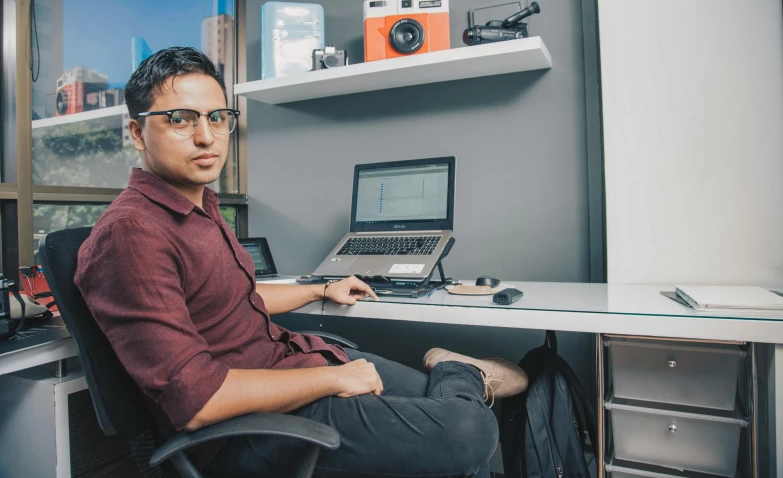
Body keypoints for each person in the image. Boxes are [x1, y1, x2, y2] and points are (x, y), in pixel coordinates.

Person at [75, 47, 528, 478]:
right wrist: (332, 380)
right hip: (245, 429)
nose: (206, 135)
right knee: (469, 432)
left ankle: (455, 379)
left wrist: (319, 289)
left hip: (292, 365)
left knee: (441, 412)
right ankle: (462, 372)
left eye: (217, 117)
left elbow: (234, 300)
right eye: (181, 120)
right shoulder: (131, 234)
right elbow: (199, 401)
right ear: (137, 133)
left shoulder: (200, 209)